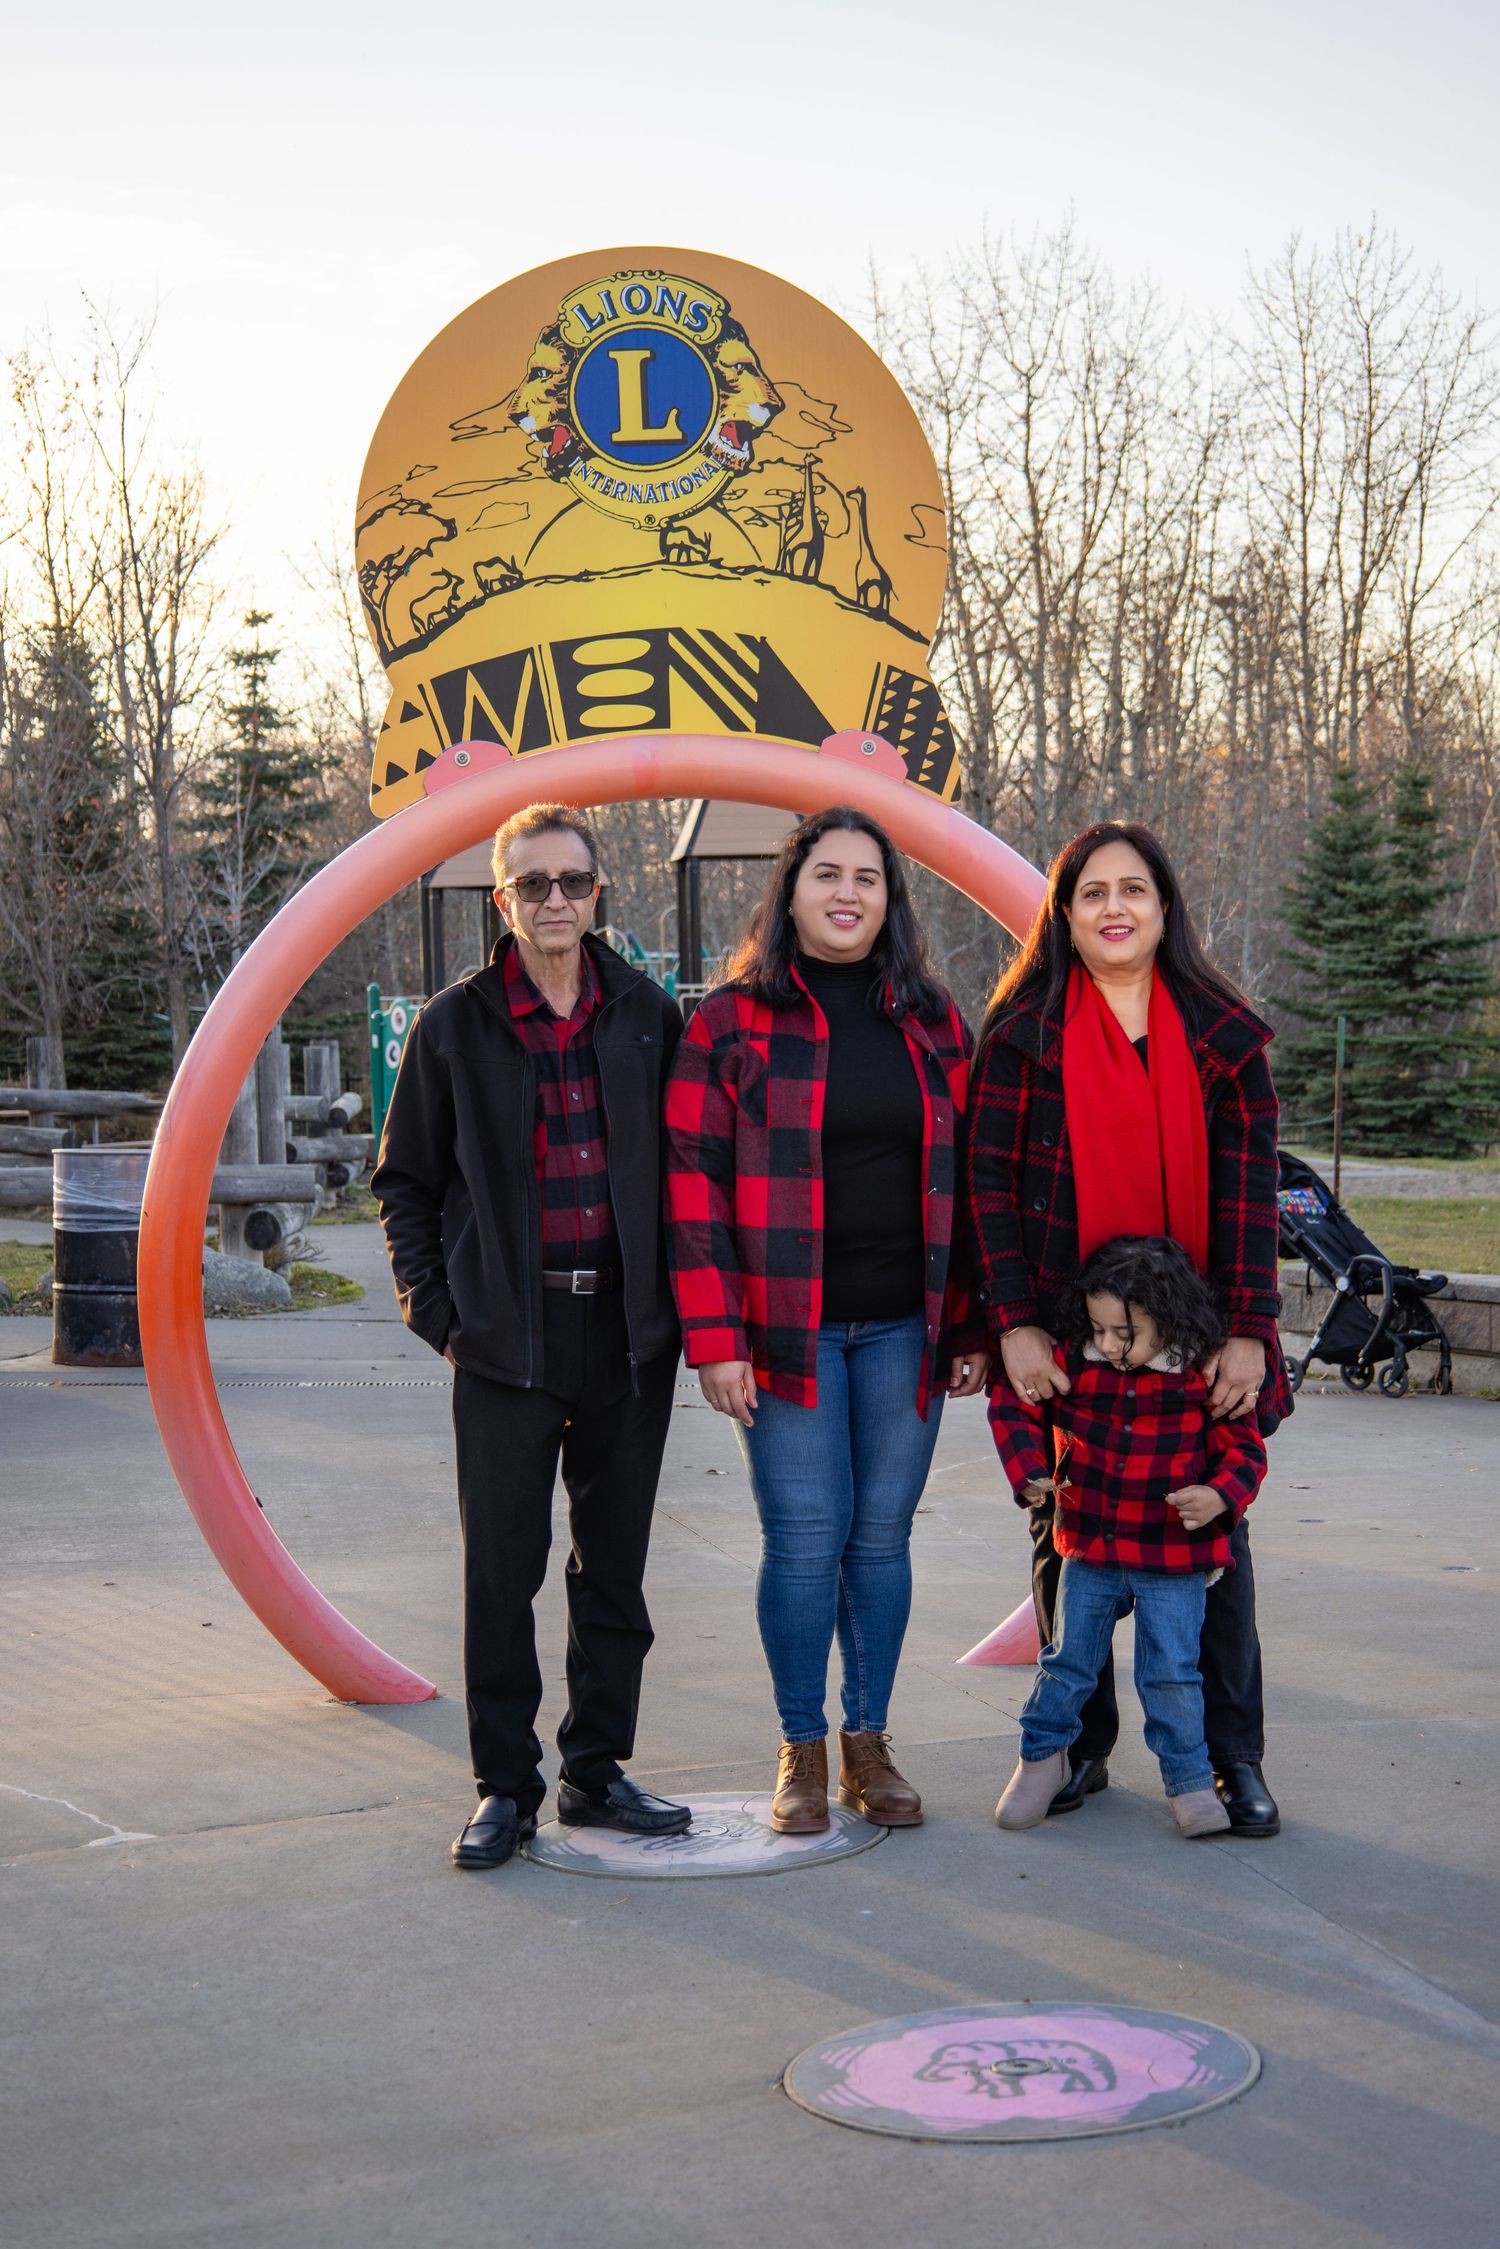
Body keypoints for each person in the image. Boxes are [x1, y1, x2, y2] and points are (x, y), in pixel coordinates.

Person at [372, 804, 691, 1870]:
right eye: (533, 883)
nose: (556, 899)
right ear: (501, 899)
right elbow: (404, 1183)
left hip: (628, 1334)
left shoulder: (647, 1014)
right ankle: (504, 1788)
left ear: (599, 892)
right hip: (506, 1337)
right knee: (501, 1572)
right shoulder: (452, 1026)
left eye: (574, 881)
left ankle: (595, 1771)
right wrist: (440, 1313)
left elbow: (692, 1168)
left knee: (615, 1570)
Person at [665, 806, 990, 1835]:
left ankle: (868, 1742)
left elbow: (970, 1180)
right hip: (783, 1336)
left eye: (867, 877)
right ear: (792, 890)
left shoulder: (933, 1019)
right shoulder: (728, 1023)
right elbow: (691, 1186)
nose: (847, 893)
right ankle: (801, 1748)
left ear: (890, 899)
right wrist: (715, 1340)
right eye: (827, 874)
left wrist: (971, 1324)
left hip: (905, 1329)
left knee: (881, 1540)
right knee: (806, 1540)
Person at [966, 820, 1290, 1838]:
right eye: (1093, 891)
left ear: (1164, 906)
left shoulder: (1224, 1036)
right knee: (1066, 1538)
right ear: (1064, 913)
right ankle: (1077, 1746)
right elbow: (989, 1189)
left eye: (1134, 889)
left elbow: (1251, 1195)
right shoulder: (1021, 1035)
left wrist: (1249, 1331)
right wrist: (1014, 1323)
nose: (1115, 907)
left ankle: (1231, 1759)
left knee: (1213, 1537)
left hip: (1197, 1334)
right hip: (1070, 1331)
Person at [991, 1235, 1267, 1837]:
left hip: (1174, 1558)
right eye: (1100, 1329)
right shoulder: (1076, 1363)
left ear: (1170, 1319)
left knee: (1171, 1673)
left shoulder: (1201, 1376)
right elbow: (1013, 1405)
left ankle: (1189, 1781)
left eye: (1126, 1333)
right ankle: (1040, 1760)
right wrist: (1029, 1472)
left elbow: (1246, 1451)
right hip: (1090, 1549)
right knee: (1067, 1662)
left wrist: (1219, 1495)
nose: (1111, 1345)